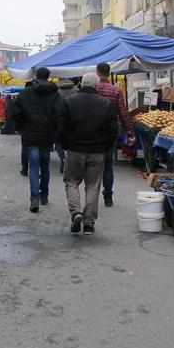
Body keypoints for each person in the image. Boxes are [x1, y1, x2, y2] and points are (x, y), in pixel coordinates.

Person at [58, 73, 118, 235]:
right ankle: (89, 223)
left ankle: (76, 212)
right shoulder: (106, 104)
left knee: (71, 182)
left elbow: (62, 127)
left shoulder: (69, 102)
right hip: (97, 150)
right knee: (93, 185)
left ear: (82, 84)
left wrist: (65, 145)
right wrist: (107, 147)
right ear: (97, 86)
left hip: (75, 149)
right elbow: (113, 130)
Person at [12, 67, 60, 213]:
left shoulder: (25, 93)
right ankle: (44, 194)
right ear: (48, 77)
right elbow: (59, 114)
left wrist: (21, 126)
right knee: (45, 164)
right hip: (47, 135)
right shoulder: (55, 94)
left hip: (30, 134)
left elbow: (16, 112)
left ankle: (34, 198)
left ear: (35, 76)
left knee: (33, 166)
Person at [95, 63, 135, 207]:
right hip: (110, 132)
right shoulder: (115, 90)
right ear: (108, 72)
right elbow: (123, 113)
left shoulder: (93, 88)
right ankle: (108, 196)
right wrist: (130, 132)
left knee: (92, 166)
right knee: (108, 166)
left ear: (97, 72)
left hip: (92, 132)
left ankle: (91, 196)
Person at [55, 79, 77, 173]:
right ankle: (71, 161)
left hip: (59, 120)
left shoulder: (56, 93)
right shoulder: (77, 91)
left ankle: (63, 158)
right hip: (74, 120)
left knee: (58, 142)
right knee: (72, 141)